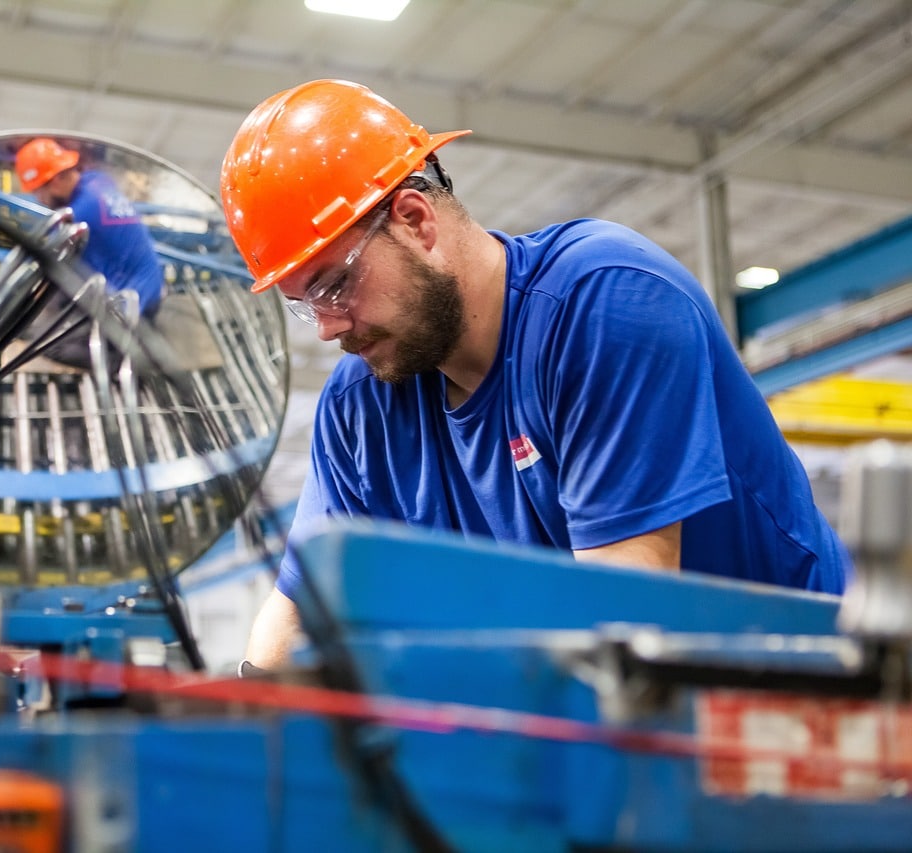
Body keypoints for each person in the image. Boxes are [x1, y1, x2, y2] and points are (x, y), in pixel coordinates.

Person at [219, 79, 853, 670]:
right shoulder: (363, 406)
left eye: (335, 284)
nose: (328, 327)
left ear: (416, 221)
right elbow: (301, 610)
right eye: (305, 304)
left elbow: (625, 616)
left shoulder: (606, 303)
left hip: (802, 698)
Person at [14, 137, 164, 368]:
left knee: (46, 342)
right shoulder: (97, 181)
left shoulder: (77, 217)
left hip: (132, 306)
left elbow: (54, 268)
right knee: (61, 300)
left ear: (54, 182)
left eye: (38, 192)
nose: (39, 200)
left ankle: (129, 362)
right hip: (150, 285)